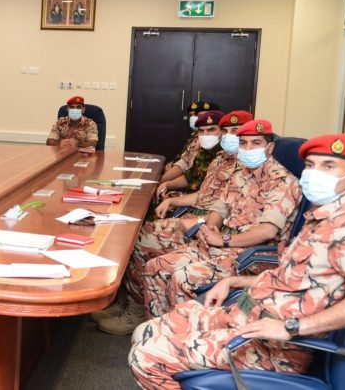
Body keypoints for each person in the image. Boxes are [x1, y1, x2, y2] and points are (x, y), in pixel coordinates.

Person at [129, 134, 345, 389]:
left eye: (329, 166)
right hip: (247, 315)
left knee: (145, 356)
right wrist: (233, 281)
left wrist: (291, 328)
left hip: (272, 347)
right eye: (311, 165)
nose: (315, 174)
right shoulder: (321, 218)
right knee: (144, 331)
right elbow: (287, 278)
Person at [96, 111, 252, 334]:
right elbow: (204, 196)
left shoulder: (251, 170)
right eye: (226, 131)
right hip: (203, 220)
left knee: (141, 239)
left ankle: (139, 310)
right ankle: (132, 302)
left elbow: (233, 216)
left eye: (235, 132)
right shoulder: (221, 159)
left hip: (213, 230)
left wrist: (202, 222)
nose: (229, 137)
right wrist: (174, 200)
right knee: (137, 234)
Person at [139, 119, 301, 320]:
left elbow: (267, 232)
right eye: (244, 143)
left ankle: (184, 332)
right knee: (154, 267)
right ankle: (158, 327)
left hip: (248, 257)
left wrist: (223, 240)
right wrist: (210, 229)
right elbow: (219, 209)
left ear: (270, 147)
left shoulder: (283, 182)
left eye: (256, 143)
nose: (248, 148)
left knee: (181, 278)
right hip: (218, 246)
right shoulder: (239, 175)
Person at [154, 110, 224, 197]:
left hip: (207, 198)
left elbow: (210, 194)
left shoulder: (225, 154)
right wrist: (167, 184)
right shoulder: (205, 149)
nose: (205, 135)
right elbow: (191, 175)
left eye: (211, 130)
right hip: (195, 193)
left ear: (223, 132)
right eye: (201, 131)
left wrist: (173, 199)